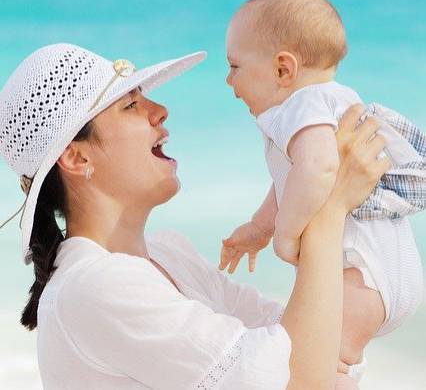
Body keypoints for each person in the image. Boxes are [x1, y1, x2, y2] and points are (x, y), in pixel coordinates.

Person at [0, 43, 389, 390]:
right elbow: (301, 380)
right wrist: (330, 205)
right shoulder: (93, 286)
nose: (160, 111)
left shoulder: (170, 254)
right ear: (77, 157)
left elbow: (319, 347)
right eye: (131, 105)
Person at [221, 0, 425, 386]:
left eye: (235, 66)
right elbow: (291, 179)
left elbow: (317, 168)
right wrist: (260, 227)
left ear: (283, 69)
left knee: (318, 366)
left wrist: (286, 235)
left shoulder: (303, 104)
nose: (229, 81)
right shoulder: (334, 100)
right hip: (386, 273)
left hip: (361, 274)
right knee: (331, 362)